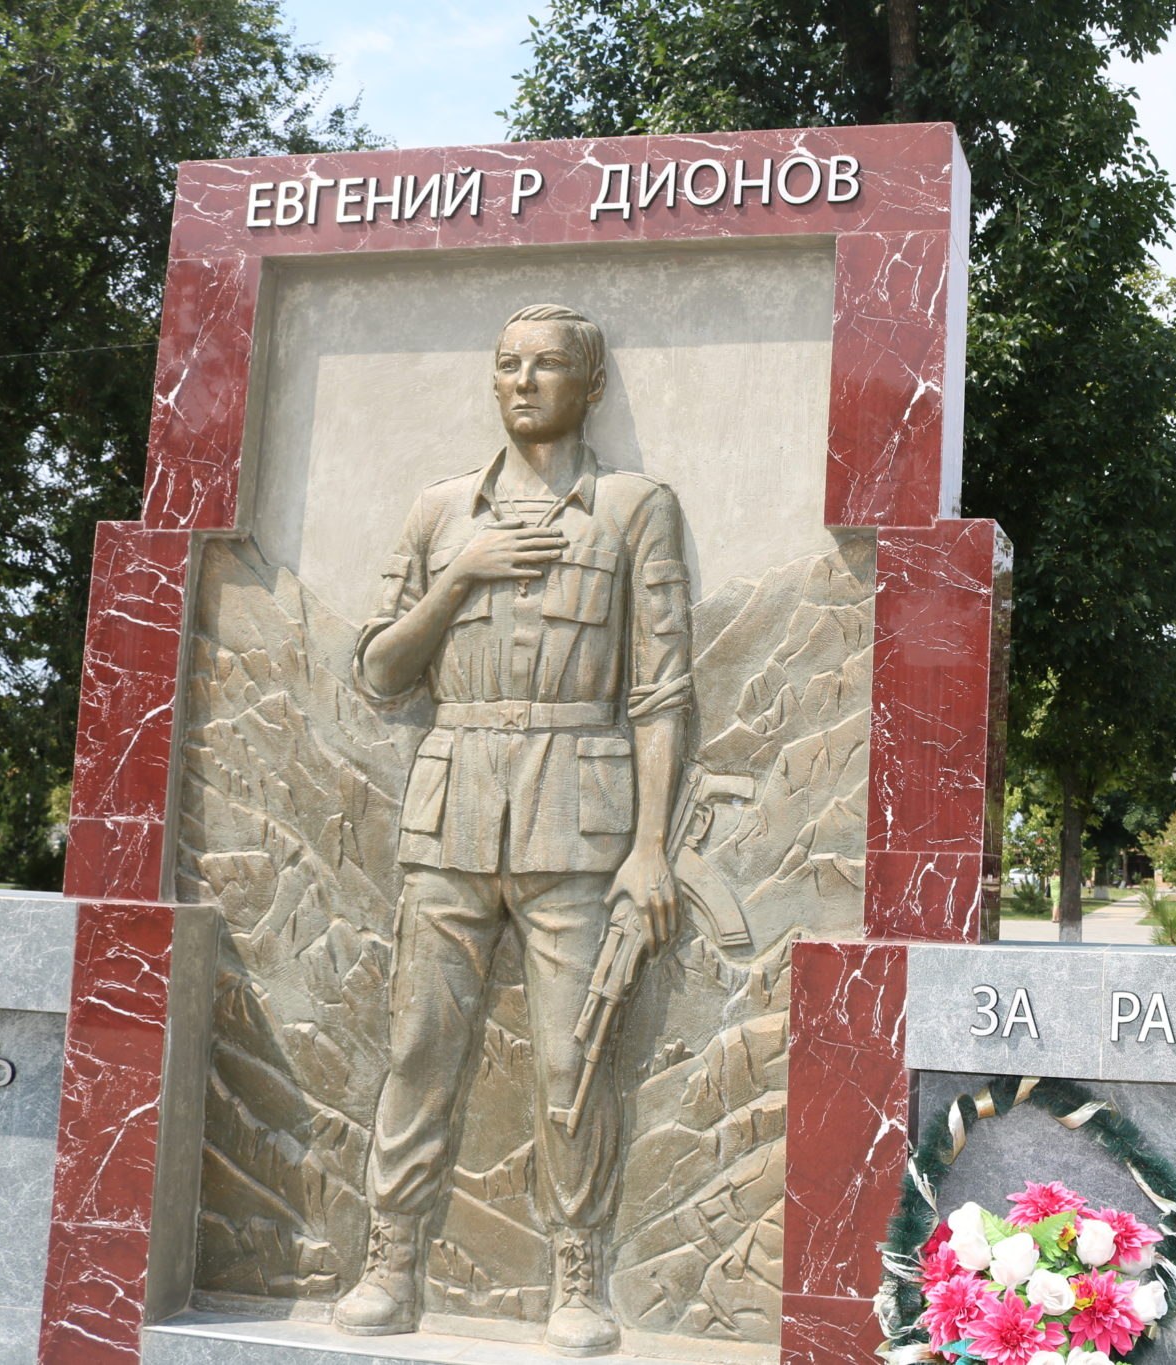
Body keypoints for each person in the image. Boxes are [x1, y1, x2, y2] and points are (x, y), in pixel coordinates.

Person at [333, 304, 692, 1356]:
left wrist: (651, 848)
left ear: (590, 387)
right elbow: (380, 672)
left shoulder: (634, 510)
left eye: (547, 367)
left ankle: (575, 1273)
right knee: (415, 1048)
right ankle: (389, 1262)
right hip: (450, 816)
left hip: (577, 825)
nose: (523, 382)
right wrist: (461, 575)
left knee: (568, 1061)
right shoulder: (442, 511)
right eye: (506, 366)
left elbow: (661, 693)